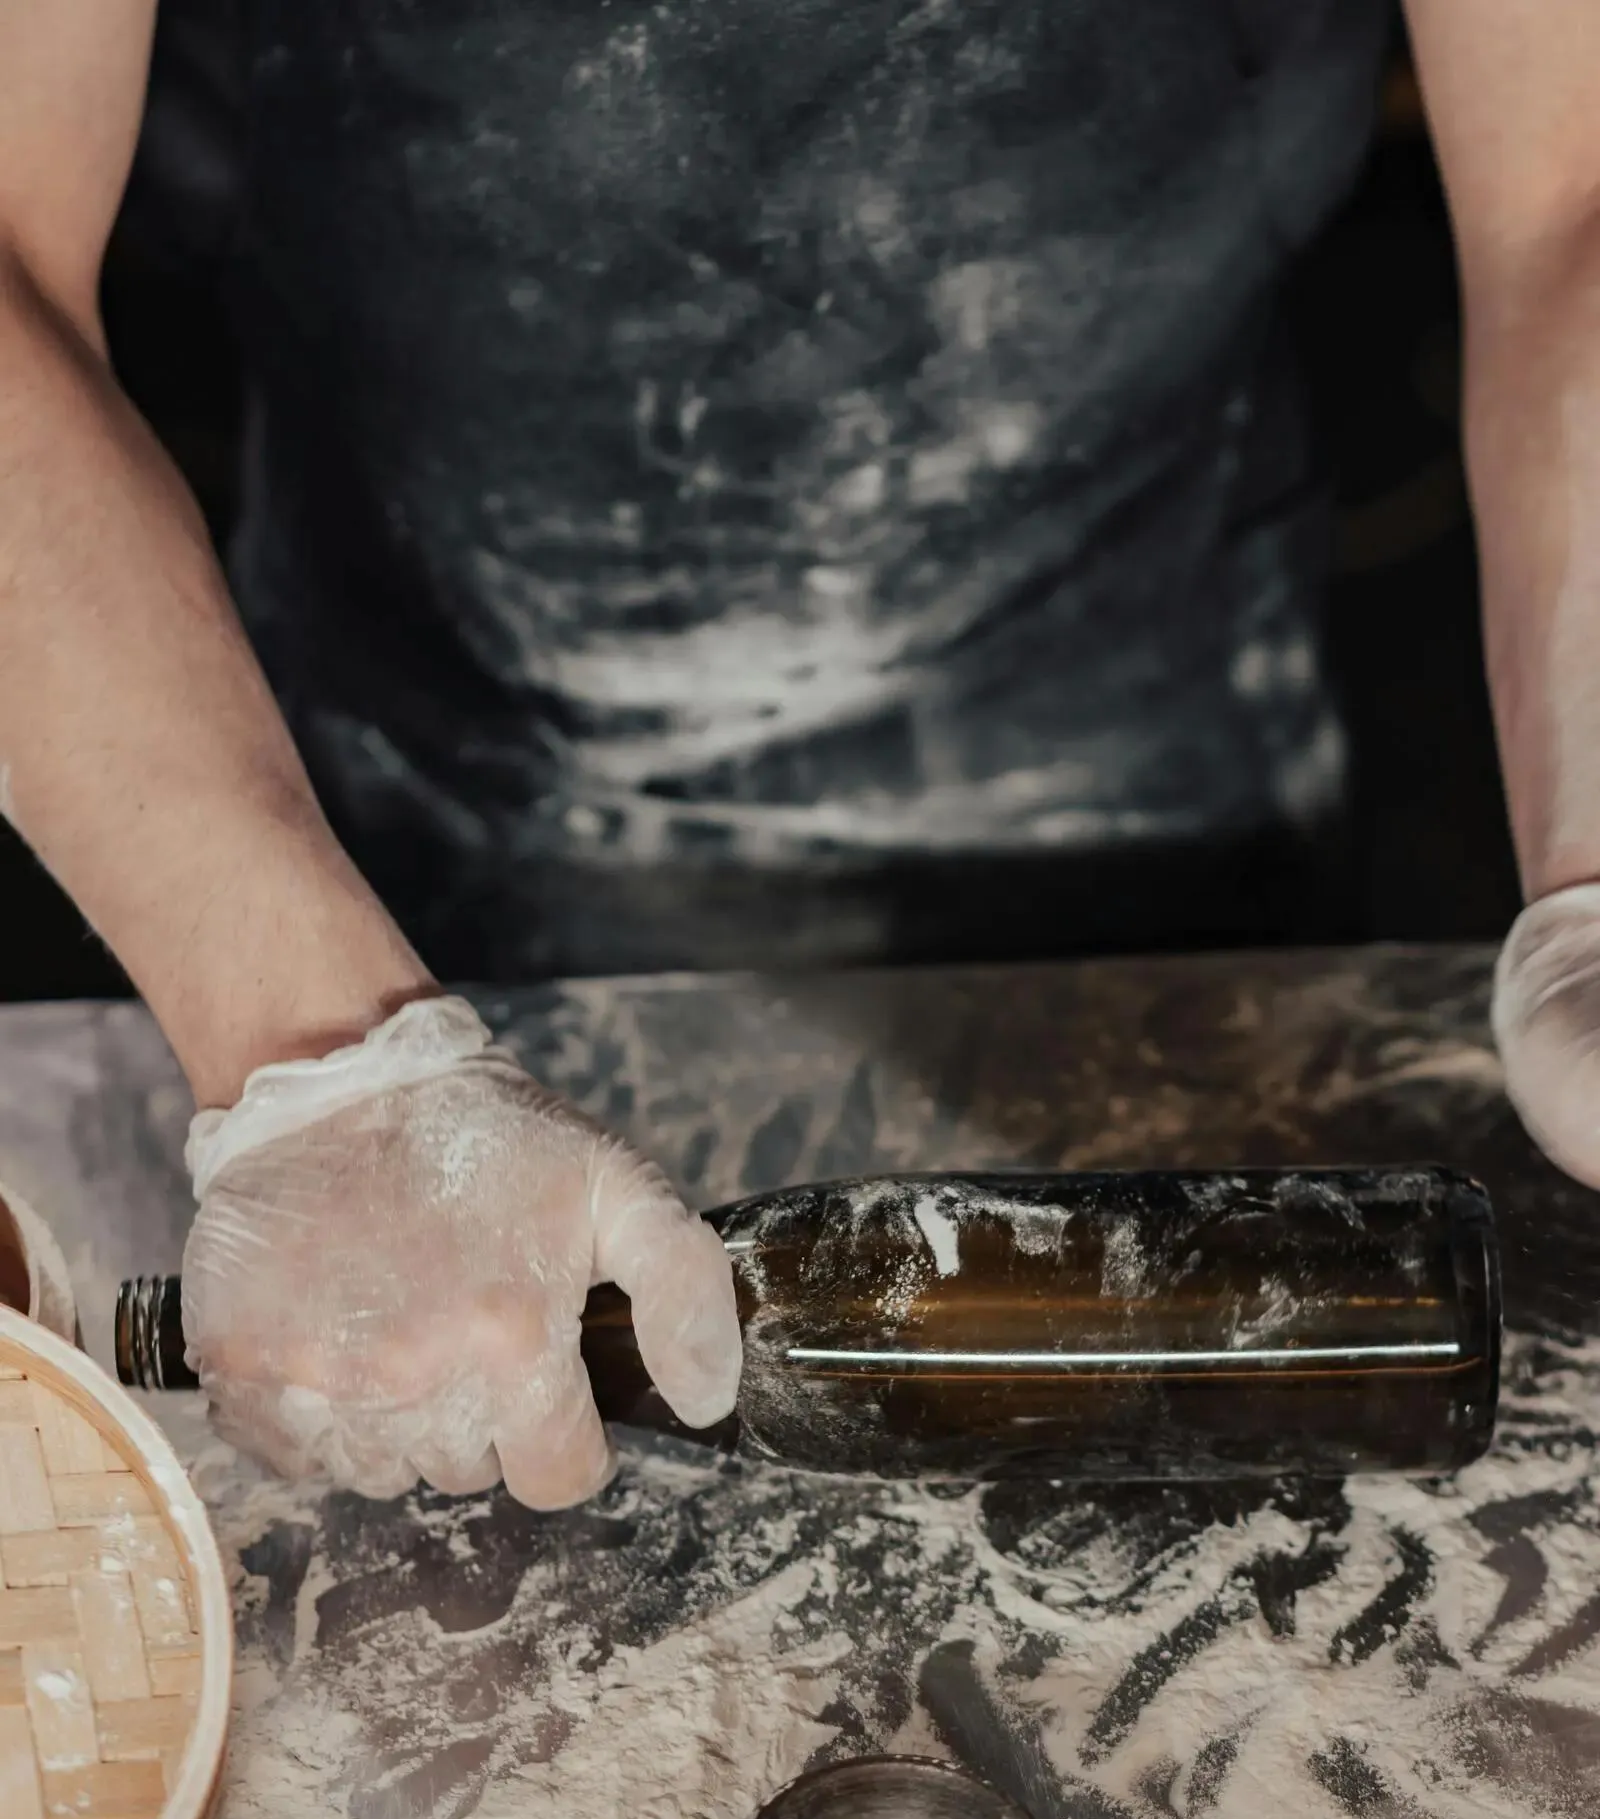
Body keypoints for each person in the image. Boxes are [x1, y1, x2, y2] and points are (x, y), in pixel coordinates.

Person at [0, 0, 1594, 1507]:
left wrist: (1595, 881)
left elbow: (1571, 191)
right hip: (383, 846)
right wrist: (320, 1052)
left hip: (1168, 806)